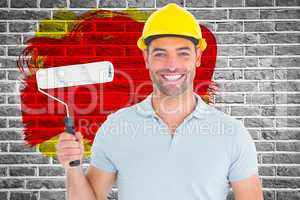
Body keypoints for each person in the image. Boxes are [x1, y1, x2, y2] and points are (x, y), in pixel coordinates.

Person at [56, 3, 264, 200]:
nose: (172, 65)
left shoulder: (232, 133)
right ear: (146, 57)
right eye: (160, 54)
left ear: (198, 57)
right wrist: (72, 168)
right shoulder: (115, 127)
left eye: (183, 53)